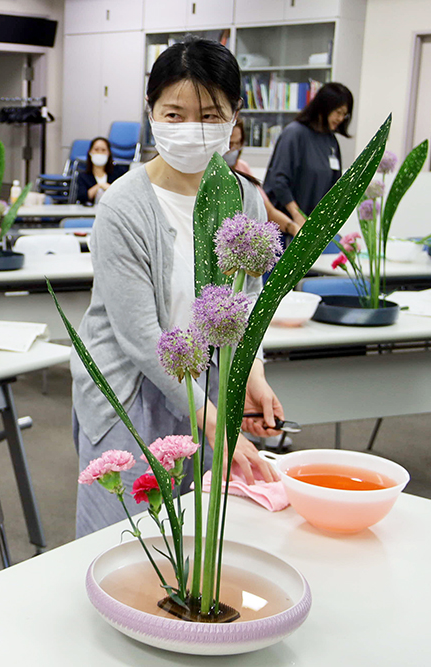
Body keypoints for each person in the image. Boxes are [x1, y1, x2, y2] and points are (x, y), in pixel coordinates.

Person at [73, 37, 281, 538]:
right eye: (175, 113)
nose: (193, 128)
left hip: (203, 388)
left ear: (235, 115)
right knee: (127, 542)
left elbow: (245, 300)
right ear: (151, 112)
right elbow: (141, 337)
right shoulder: (124, 205)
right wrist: (215, 423)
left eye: (211, 115)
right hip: (130, 391)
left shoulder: (242, 197)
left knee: (199, 543)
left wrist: (251, 376)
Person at [262, 82, 353, 241]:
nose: (340, 118)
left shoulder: (331, 141)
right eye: (338, 112)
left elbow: (335, 186)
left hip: (312, 231)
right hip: (285, 228)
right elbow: (279, 180)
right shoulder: (295, 134)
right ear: (324, 107)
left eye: (344, 115)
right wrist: (297, 215)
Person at [225, 119, 298, 237]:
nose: (232, 149)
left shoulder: (242, 168)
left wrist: (292, 227)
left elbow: (268, 210)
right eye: (229, 144)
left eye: (237, 143)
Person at [75, 137, 120, 206]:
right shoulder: (83, 176)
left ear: (109, 153)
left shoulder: (117, 173)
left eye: (103, 150)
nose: (100, 153)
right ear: (90, 152)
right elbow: (82, 197)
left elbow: (121, 195)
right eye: (96, 150)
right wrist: (99, 186)